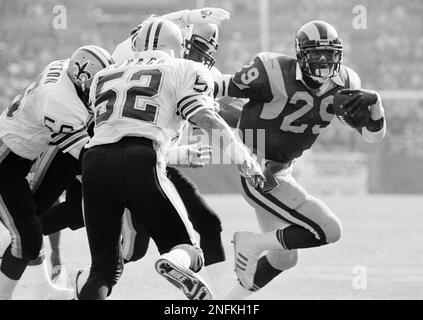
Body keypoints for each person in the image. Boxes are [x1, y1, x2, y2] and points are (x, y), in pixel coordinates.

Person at [78, 18, 263, 300]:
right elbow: (204, 116)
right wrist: (241, 156)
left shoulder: (105, 75)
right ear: (178, 45)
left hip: (93, 163)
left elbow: (106, 128)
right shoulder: (184, 67)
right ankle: (174, 262)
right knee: (189, 251)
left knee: (102, 271)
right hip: (141, 159)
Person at [213, 20, 386, 299]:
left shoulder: (346, 83)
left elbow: (372, 136)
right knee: (329, 230)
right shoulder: (272, 71)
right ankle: (251, 243)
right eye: (316, 54)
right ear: (300, 54)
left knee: (284, 259)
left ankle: (226, 303)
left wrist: (376, 104)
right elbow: (222, 85)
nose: (323, 61)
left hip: (281, 170)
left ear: (338, 55)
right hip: (258, 167)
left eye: (329, 54)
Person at [0, 45, 113, 299]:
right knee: (26, 239)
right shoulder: (61, 102)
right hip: (6, 160)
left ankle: (41, 289)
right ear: (84, 79)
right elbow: (87, 158)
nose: (100, 92)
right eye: (98, 84)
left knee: (29, 227)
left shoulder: (65, 69)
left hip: (21, 155)